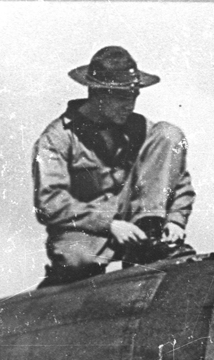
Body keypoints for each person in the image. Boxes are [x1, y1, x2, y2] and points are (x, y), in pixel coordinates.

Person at [32, 46, 194, 287]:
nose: (129, 106)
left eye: (134, 96)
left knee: (169, 134)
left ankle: (148, 243)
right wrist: (109, 223)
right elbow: (50, 202)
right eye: (121, 98)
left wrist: (175, 220)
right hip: (88, 228)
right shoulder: (56, 138)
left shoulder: (142, 129)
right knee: (77, 263)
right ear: (97, 94)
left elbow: (175, 177)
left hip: (137, 225)